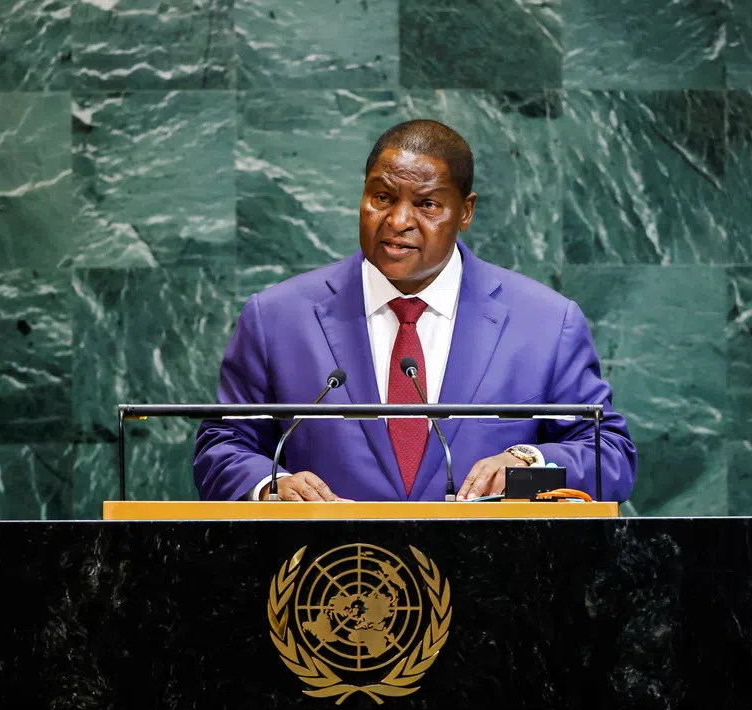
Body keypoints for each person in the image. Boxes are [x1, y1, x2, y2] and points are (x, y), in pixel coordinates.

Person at [194, 120, 637, 502]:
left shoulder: (544, 323)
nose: (399, 220)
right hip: (330, 581)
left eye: (426, 204)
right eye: (382, 197)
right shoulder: (277, 318)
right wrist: (272, 486)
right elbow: (222, 446)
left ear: (465, 212)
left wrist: (527, 466)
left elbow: (610, 457)